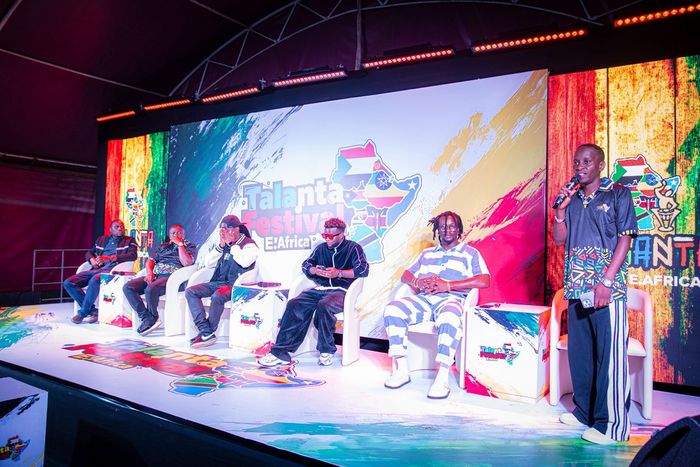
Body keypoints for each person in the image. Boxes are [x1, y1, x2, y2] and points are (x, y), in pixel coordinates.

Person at [552, 143, 638, 445]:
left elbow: (625, 240)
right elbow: (560, 240)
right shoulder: (573, 199)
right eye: (577, 162)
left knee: (609, 358)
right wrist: (560, 211)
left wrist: (606, 281)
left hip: (606, 288)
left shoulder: (618, 194)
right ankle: (585, 413)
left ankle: (612, 425)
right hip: (577, 286)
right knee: (582, 356)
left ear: (600, 165)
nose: (580, 166)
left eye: (587, 161)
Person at [383, 211, 490, 399]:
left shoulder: (470, 253)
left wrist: (448, 285)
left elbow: (484, 280)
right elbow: (405, 275)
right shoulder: (427, 254)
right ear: (437, 230)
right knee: (393, 309)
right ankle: (402, 369)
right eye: (442, 227)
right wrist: (417, 282)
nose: (447, 230)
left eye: (451, 226)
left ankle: (442, 377)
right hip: (425, 300)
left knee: (450, 316)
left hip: (451, 300)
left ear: (459, 229)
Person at [258, 218, 369, 367]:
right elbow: (306, 265)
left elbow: (363, 270)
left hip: (342, 291)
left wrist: (339, 273)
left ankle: (326, 350)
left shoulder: (353, 248)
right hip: (320, 289)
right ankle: (280, 353)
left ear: (342, 234)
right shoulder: (321, 248)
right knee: (294, 304)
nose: (327, 239)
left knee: (325, 305)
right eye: (325, 235)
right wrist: (314, 270)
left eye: (331, 236)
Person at [185, 215, 258, 348]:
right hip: (219, 282)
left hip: (236, 285)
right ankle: (205, 331)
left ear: (236, 229)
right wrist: (221, 246)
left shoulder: (248, 244)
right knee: (191, 291)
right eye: (221, 230)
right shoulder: (224, 245)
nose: (223, 233)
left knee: (218, 295)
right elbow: (208, 263)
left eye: (226, 229)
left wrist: (234, 245)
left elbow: (245, 262)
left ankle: (207, 333)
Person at [122, 224, 196, 336]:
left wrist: (180, 245)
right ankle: (147, 317)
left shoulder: (189, 246)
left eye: (178, 233)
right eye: (173, 233)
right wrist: (149, 273)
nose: (175, 235)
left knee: (150, 288)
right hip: (156, 275)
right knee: (128, 287)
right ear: (169, 235)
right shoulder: (163, 246)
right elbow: (150, 261)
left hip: (173, 278)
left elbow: (186, 262)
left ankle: (152, 318)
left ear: (183, 234)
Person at [64, 219, 138, 324]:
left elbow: (133, 256)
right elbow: (89, 252)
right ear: (111, 229)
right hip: (97, 268)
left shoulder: (129, 240)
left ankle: (83, 313)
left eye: (122, 226)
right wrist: (92, 260)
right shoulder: (102, 239)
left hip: (113, 269)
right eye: (117, 227)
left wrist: (110, 258)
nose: (120, 229)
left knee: (95, 279)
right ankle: (93, 311)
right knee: (68, 283)